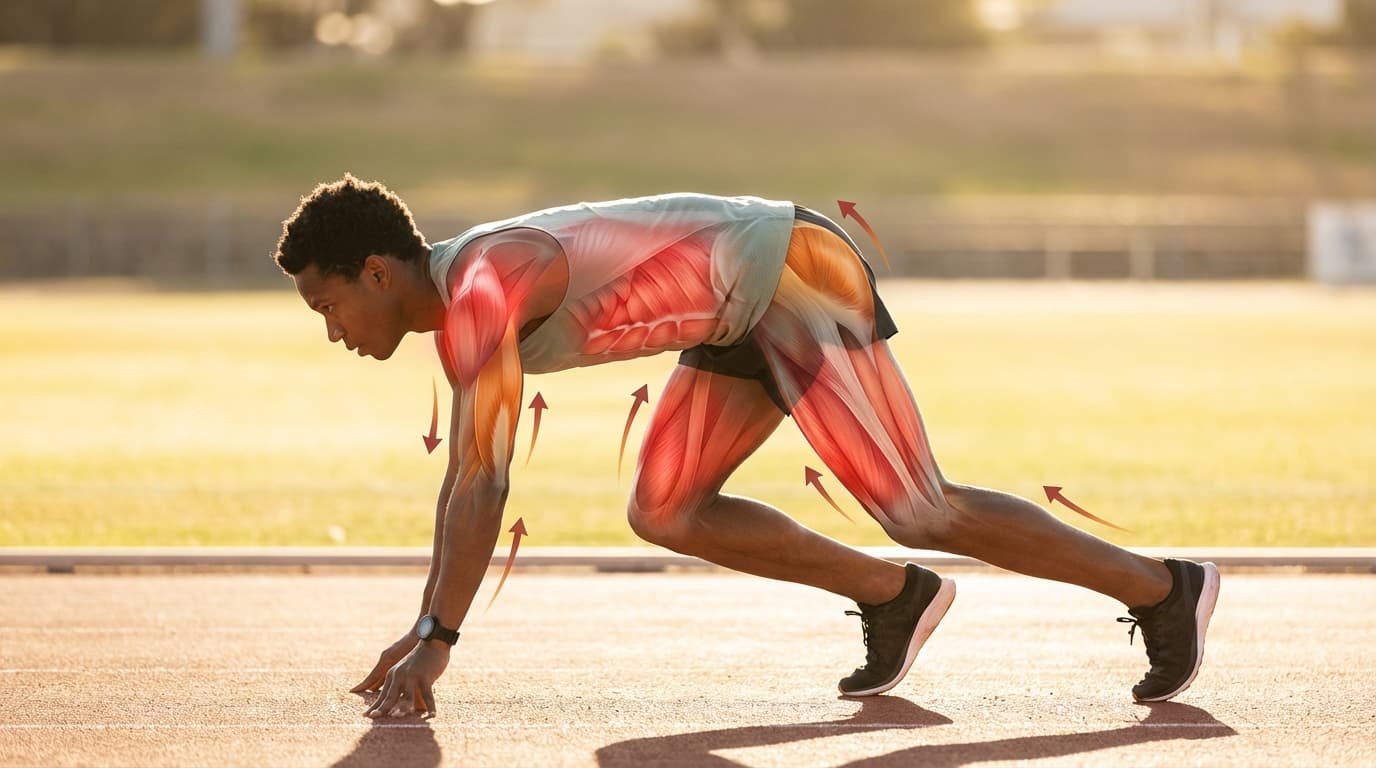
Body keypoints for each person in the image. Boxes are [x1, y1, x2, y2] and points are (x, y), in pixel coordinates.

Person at [272, 175, 1220, 719]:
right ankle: (896, 594)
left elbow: (483, 486)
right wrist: (425, 621)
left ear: (377, 270)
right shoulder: (460, 308)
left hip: (790, 273)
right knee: (665, 509)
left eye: (329, 305)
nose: (332, 330)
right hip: (734, 318)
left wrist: (439, 641)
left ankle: (1165, 588)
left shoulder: (480, 291)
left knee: (916, 505)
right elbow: (462, 484)